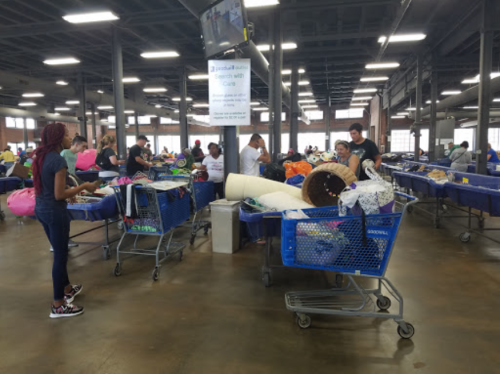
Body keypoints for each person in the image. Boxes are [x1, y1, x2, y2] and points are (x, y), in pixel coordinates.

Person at [32, 123, 97, 318]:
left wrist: (69, 192)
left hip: (41, 209)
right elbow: (60, 194)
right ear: (59, 138)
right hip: (55, 211)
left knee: (59, 251)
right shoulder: (58, 161)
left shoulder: (41, 158)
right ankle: (58, 304)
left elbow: (50, 188)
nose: (71, 138)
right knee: (60, 256)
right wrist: (84, 186)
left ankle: (67, 289)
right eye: (68, 135)